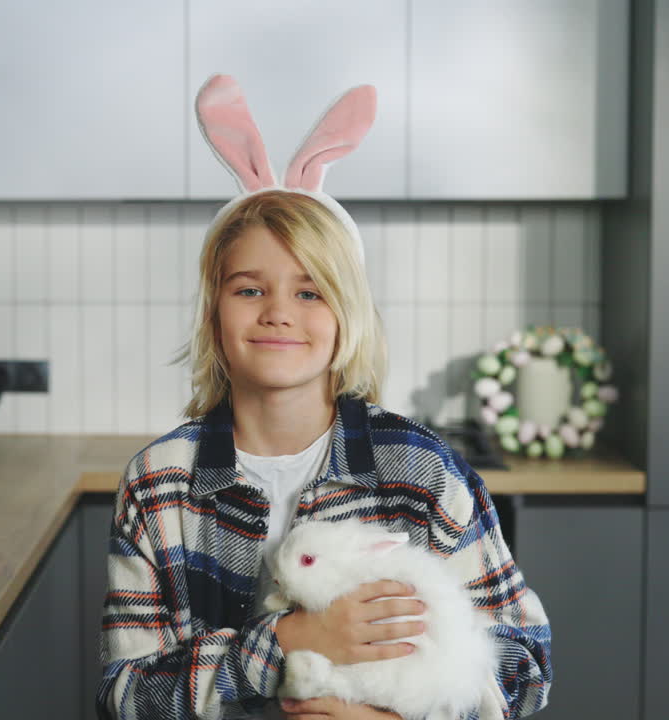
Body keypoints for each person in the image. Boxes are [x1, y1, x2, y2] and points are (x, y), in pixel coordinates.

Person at [96, 75, 551, 720]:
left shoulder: (421, 474)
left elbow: (524, 665)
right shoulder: (158, 482)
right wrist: (284, 642)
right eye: (249, 289)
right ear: (213, 315)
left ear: (347, 315)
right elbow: (124, 696)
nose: (280, 313)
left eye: (310, 292)